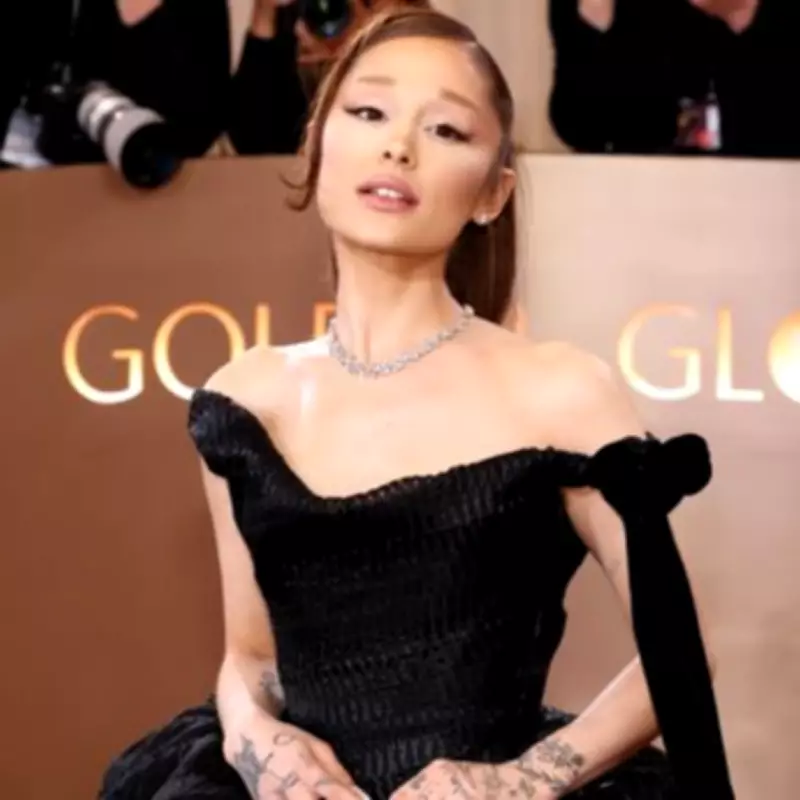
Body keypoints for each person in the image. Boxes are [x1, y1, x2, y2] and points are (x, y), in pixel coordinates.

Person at [99, 8, 735, 800]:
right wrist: (258, 741)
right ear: (317, 145)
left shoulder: (560, 391)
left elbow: (681, 648)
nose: (398, 145)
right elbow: (251, 659)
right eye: (369, 112)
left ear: (493, 193)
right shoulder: (243, 399)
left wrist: (520, 783)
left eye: (445, 130)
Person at [550, 0, 800, 158]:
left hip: (771, 194)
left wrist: (745, 15)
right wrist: (595, 25)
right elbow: (578, 126)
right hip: (647, 195)